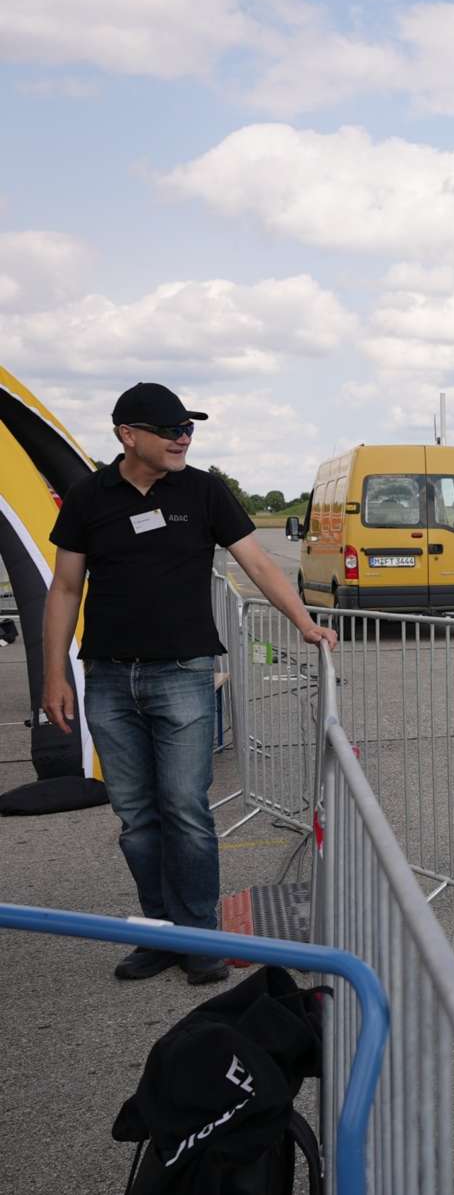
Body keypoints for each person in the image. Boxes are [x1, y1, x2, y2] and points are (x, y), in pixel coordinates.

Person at [42, 382, 338, 986]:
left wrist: (304, 623)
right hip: (107, 679)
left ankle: (199, 933)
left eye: (189, 429)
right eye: (171, 429)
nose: (184, 438)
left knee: (185, 808)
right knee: (135, 814)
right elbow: (65, 588)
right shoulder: (87, 497)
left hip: (183, 675)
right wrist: (54, 674)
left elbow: (256, 561)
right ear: (129, 435)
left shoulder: (203, 491)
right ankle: (157, 932)